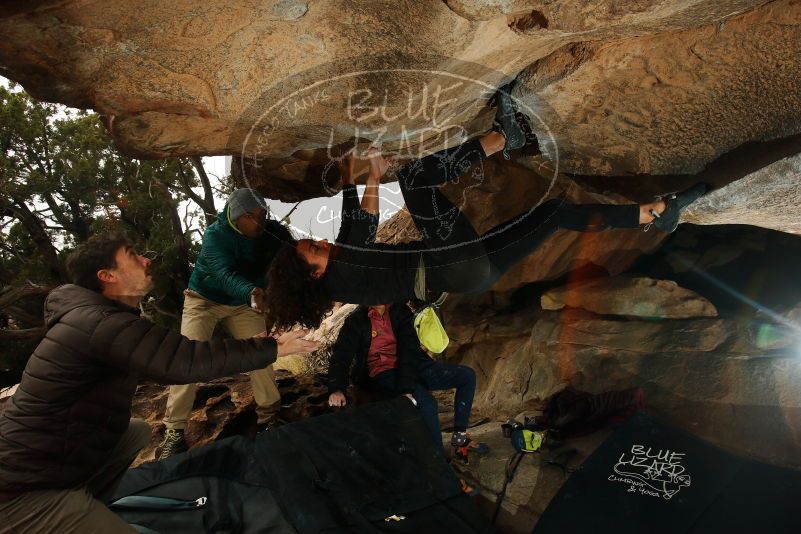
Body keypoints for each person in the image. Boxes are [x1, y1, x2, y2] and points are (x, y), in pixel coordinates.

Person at [262, 94, 707, 331]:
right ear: (314, 275)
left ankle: (654, 214)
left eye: (310, 240)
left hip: (471, 275)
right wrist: (372, 177)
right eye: (312, 250)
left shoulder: (340, 269)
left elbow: (348, 232)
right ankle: (501, 138)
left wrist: (348, 179)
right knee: (415, 176)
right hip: (450, 261)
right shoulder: (343, 276)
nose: (318, 243)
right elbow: (363, 229)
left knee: (553, 213)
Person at [0, 234, 318, 533]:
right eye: (132, 257)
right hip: (21, 492)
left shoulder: (93, 317)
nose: (145, 260)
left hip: (44, 463)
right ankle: (66, 513)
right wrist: (275, 347)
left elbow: (165, 355)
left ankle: (90, 504)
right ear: (107, 276)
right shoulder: (99, 323)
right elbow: (183, 361)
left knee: (134, 431)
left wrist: (253, 345)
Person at [158, 188, 292, 459]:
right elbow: (223, 274)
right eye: (250, 216)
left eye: (262, 214)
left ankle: (270, 417)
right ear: (234, 215)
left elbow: (291, 260)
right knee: (187, 359)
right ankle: (174, 431)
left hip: (242, 304)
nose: (258, 222)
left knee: (261, 353)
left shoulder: (272, 233)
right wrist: (253, 294)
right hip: (204, 300)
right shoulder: (215, 235)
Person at [328, 302, 487, 461]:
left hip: (412, 364)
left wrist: (406, 388)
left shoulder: (399, 311)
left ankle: (460, 439)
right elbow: (341, 356)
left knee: (466, 376)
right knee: (427, 403)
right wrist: (337, 388)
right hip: (383, 371)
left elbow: (409, 351)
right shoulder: (356, 320)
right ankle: (439, 464)